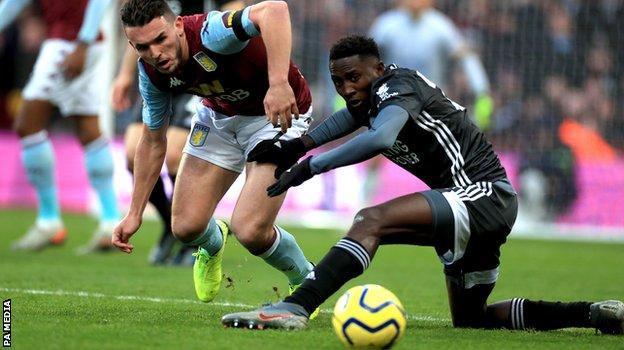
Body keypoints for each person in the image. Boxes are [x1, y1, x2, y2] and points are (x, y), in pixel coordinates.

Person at [220, 35, 624, 334]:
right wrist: (300, 145)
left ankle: (295, 307)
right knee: (471, 320)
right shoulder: (372, 97)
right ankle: (591, 313)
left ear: (378, 70)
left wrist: (311, 166)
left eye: (354, 78)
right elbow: (353, 117)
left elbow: (380, 137)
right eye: (338, 82)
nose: (347, 90)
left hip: (480, 194)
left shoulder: (399, 87)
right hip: (481, 205)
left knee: (370, 220)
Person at [112, 0, 318, 314]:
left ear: (178, 26)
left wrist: (278, 83)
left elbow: (275, 10)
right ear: (132, 46)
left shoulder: (211, 33)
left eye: (161, 39)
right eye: (143, 47)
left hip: (278, 115)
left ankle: (304, 279)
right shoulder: (151, 74)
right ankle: (212, 244)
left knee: (250, 230)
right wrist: (134, 213)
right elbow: (153, 142)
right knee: (184, 227)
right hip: (220, 118)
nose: (155, 53)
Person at [111, 0, 244, 266]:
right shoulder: (144, 16)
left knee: (173, 154)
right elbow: (139, 34)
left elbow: (236, 10)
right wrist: (125, 75)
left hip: (197, 68)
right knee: (131, 154)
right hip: (159, 71)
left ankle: (190, 235)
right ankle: (172, 227)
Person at [0, 0, 121, 253]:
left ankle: (49, 220)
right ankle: (111, 221)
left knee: (27, 124)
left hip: (70, 43)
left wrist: (82, 43)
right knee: (88, 130)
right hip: (79, 42)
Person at [369, 0, 493, 130]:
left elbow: (466, 58)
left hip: (432, 106)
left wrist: (481, 92)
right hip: (391, 103)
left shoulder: (441, 26)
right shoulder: (385, 26)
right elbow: (366, 60)